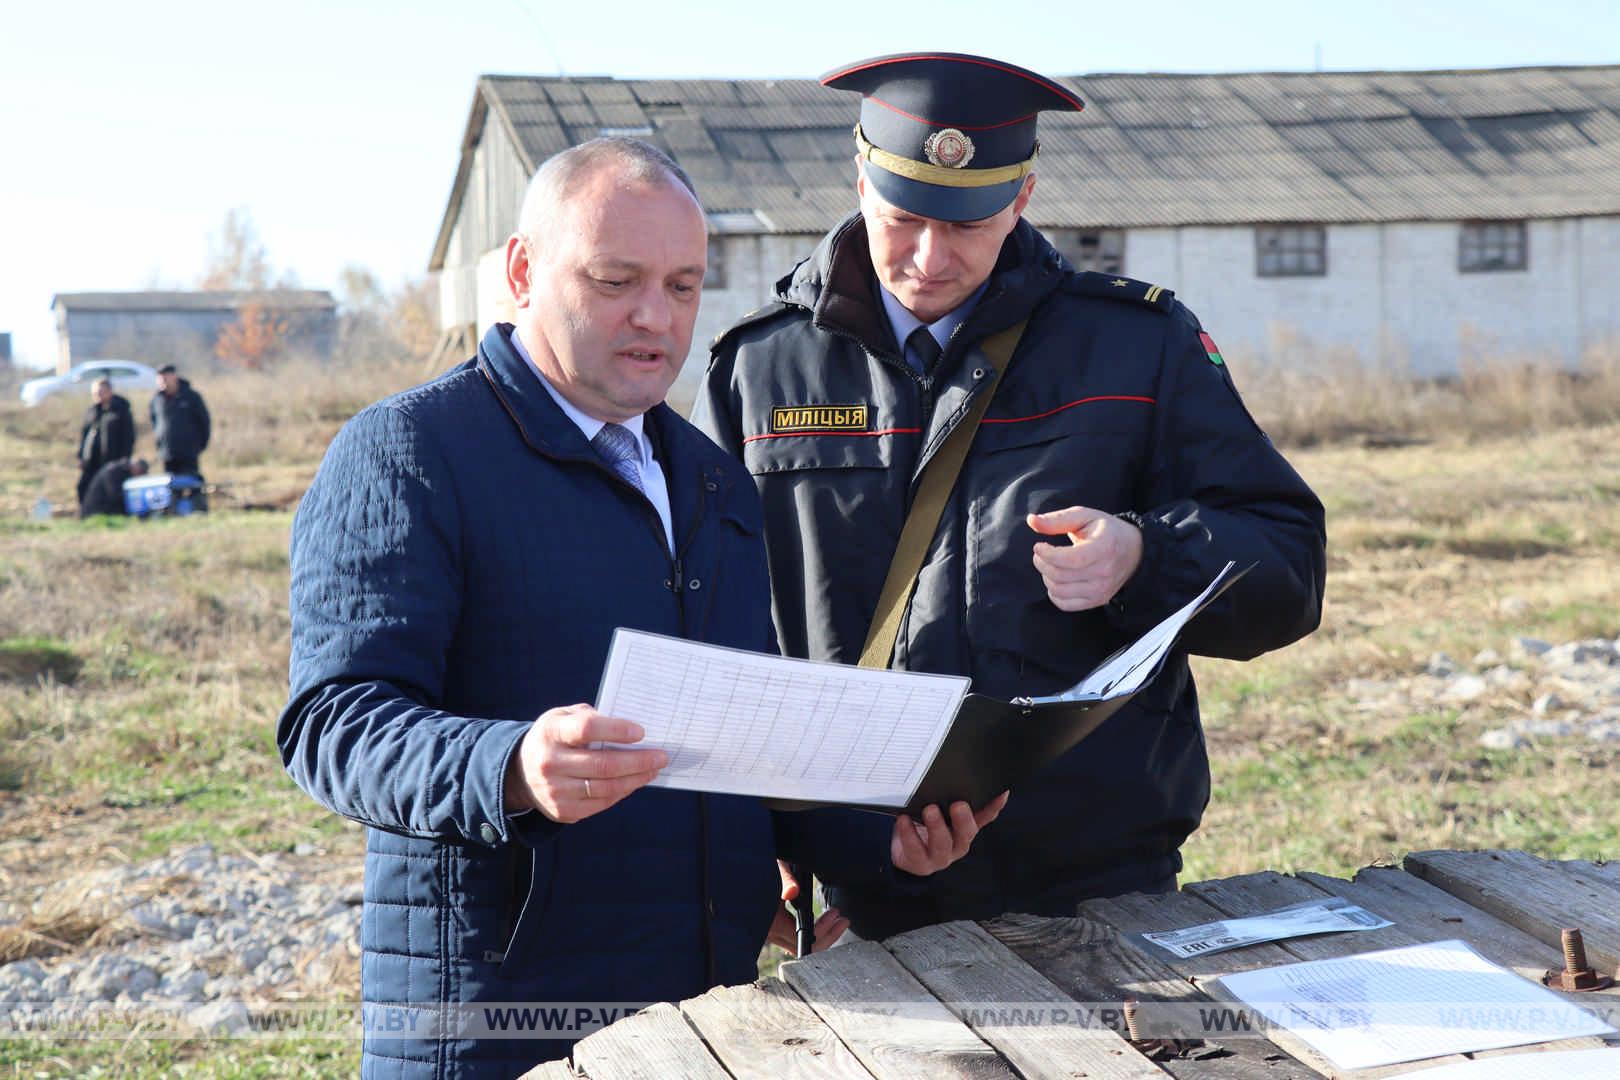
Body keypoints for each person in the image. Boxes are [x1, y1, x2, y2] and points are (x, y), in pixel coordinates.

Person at [279, 137, 1000, 1079]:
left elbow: (732, 738)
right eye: (616, 280)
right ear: (525, 272)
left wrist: (879, 841)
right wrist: (511, 764)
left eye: (684, 286)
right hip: (498, 1024)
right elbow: (332, 725)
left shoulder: (712, 481)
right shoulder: (410, 453)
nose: (655, 317)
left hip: (701, 1011)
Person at [696, 53, 1328, 941]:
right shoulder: (760, 370)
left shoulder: (1139, 348)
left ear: (1023, 197)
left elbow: (1290, 569)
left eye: (968, 224)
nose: (929, 257)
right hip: (859, 882)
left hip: (1101, 883)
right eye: (902, 218)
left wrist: (1148, 557)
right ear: (859, 176)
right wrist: (753, 839)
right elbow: (702, 625)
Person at [77, 377, 135, 505]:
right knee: (83, 487)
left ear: (109, 392)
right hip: (92, 461)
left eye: (100, 392)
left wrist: (125, 458)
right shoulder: (92, 411)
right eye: (95, 393)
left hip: (113, 460)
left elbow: (129, 437)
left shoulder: (121, 410)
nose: (97, 396)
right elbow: (85, 435)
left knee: (111, 490)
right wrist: (81, 456)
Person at [149, 363, 210, 477]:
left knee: (192, 484)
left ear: (174, 377)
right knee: (172, 489)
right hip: (167, 452)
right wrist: (160, 444)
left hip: (188, 452)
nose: (163, 381)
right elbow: (155, 423)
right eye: (160, 379)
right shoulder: (156, 400)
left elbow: (204, 422)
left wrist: (200, 445)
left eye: (166, 377)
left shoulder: (191, 397)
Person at [78, 456, 148, 518]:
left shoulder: (121, 471)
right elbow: (115, 495)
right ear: (136, 468)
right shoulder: (113, 471)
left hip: (103, 508)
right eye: (139, 474)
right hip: (95, 510)